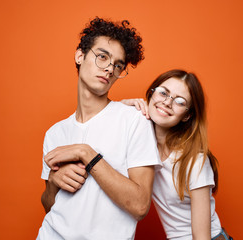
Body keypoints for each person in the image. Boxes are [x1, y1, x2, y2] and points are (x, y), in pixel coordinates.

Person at [36, 17, 161, 240]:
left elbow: (141, 206)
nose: (109, 69)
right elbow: (50, 206)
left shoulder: (134, 121)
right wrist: (54, 182)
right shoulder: (55, 133)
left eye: (118, 65)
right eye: (102, 57)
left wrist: (87, 154)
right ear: (80, 56)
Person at [122, 69, 233, 240]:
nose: (167, 102)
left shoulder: (194, 160)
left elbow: (201, 237)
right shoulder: (142, 145)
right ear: (151, 94)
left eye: (180, 102)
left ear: (187, 116)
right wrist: (125, 106)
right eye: (163, 93)